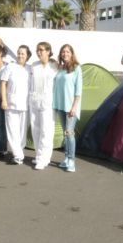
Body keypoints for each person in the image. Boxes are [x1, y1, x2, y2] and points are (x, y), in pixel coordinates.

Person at [29, 42, 59, 170]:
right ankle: (39, 155)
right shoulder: (34, 66)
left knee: (46, 131)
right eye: (38, 50)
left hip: (48, 102)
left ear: (48, 51)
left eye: (41, 50)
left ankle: (44, 159)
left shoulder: (54, 67)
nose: (39, 52)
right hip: (34, 100)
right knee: (35, 129)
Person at [54, 44, 82, 173]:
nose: (65, 54)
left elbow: (78, 91)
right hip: (60, 106)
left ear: (72, 53)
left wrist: (74, 107)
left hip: (71, 107)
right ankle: (66, 158)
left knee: (70, 133)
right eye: (63, 52)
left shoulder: (77, 68)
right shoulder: (60, 68)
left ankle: (72, 160)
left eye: (67, 52)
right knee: (66, 134)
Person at [1, 45, 31, 165]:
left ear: (27, 55)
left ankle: (18, 152)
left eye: (23, 53)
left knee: (22, 132)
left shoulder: (30, 69)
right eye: (19, 53)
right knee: (12, 131)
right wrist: (4, 100)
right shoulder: (10, 66)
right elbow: (3, 83)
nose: (20, 55)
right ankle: (18, 156)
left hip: (25, 105)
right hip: (11, 104)